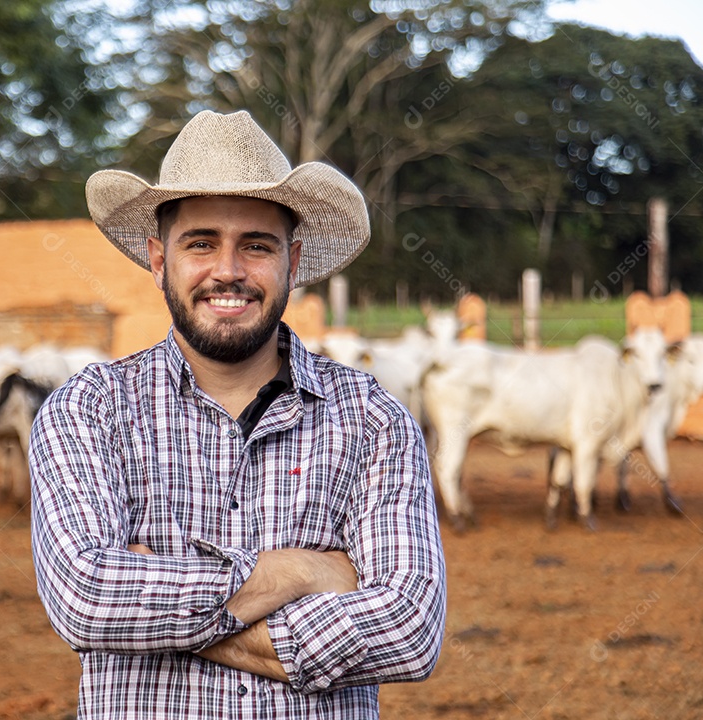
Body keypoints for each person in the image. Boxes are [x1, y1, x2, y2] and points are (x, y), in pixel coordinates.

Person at [29, 109, 446, 719]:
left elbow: (410, 630)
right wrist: (302, 572)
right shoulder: (89, 411)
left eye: (256, 245)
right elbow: (85, 601)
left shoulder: (372, 420)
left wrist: (155, 607)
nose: (227, 271)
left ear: (292, 262)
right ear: (158, 259)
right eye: (201, 243)